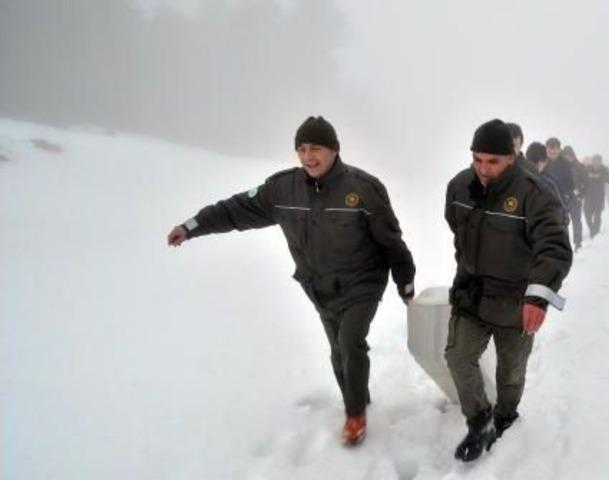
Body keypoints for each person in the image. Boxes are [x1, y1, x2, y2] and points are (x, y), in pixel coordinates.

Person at [166, 116, 416, 446]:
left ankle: (355, 415)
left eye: (316, 148)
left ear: (335, 150)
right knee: (337, 351)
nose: (308, 156)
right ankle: (358, 398)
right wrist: (191, 226)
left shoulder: (364, 189)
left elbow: (390, 240)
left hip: (362, 281)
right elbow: (236, 209)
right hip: (319, 285)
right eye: (302, 149)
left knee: (351, 341)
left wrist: (405, 281)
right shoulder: (283, 189)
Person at [444, 119, 572, 462]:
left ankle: (505, 416)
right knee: (457, 357)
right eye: (477, 159)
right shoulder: (458, 187)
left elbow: (555, 247)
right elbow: (456, 229)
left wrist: (537, 296)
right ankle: (480, 420)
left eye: (493, 161)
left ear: (511, 158)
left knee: (510, 370)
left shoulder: (536, 193)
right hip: (472, 293)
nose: (483, 169)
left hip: (517, 299)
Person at [583, 153, 609, 238]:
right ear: (592, 162)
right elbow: (581, 178)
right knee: (587, 216)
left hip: (599, 197)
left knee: (597, 216)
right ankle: (592, 229)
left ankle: (596, 233)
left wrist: (599, 177)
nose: (596, 164)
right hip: (588, 197)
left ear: (601, 162)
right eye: (594, 162)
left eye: (598, 162)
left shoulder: (604, 169)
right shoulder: (587, 168)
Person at [562, 145, 587, 251]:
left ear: (573, 155)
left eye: (569, 156)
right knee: (563, 223)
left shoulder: (580, 167)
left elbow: (586, 183)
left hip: (576, 199)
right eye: (565, 156)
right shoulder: (560, 167)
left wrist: (581, 194)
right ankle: (564, 243)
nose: (568, 158)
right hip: (563, 199)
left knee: (576, 221)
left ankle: (578, 242)